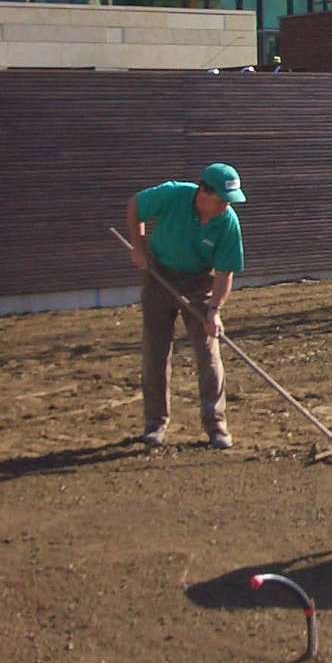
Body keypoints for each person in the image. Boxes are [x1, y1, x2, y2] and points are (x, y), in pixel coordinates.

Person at [126, 162, 248, 449]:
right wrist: (139, 247)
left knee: (208, 352)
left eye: (229, 201)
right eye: (221, 200)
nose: (226, 206)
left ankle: (216, 424)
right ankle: (155, 423)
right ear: (204, 192)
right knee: (156, 351)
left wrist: (214, 311)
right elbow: (134, 206)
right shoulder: (173, 195)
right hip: (159, 275)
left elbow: (225, 273)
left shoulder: (228, 222)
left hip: (199, 283)